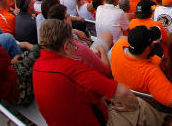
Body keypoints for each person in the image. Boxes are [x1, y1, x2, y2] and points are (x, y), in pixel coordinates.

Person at [33, 19, 161, 125]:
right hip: (99, 121)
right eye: (74, 44)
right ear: (66, 47)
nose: (75, 47)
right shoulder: (71, 69)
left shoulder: (37, 66)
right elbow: (123, 93)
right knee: (140, 105)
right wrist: (131, 106)